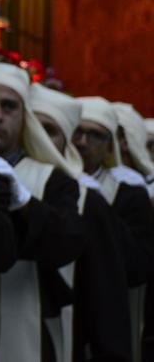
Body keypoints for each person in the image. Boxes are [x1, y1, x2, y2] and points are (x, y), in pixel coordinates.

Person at [0, 62, 84, 362]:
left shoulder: (53, 180)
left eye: (8, 106)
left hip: (28, 322)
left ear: (24, 118)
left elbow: (68, 240)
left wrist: (25, 203)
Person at [31, 85, 133, 362]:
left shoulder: (89, 202)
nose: (37, 138)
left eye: (49, 131)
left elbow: (106, 300)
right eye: (33, 128)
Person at [76, 96, 154, 360]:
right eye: (78, 132)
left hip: (108, 318)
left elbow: (138, 265)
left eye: (95, 135)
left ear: (110, 146)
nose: (83, 142)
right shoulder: (48, 182)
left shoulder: (128, 192)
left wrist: (100, 208)